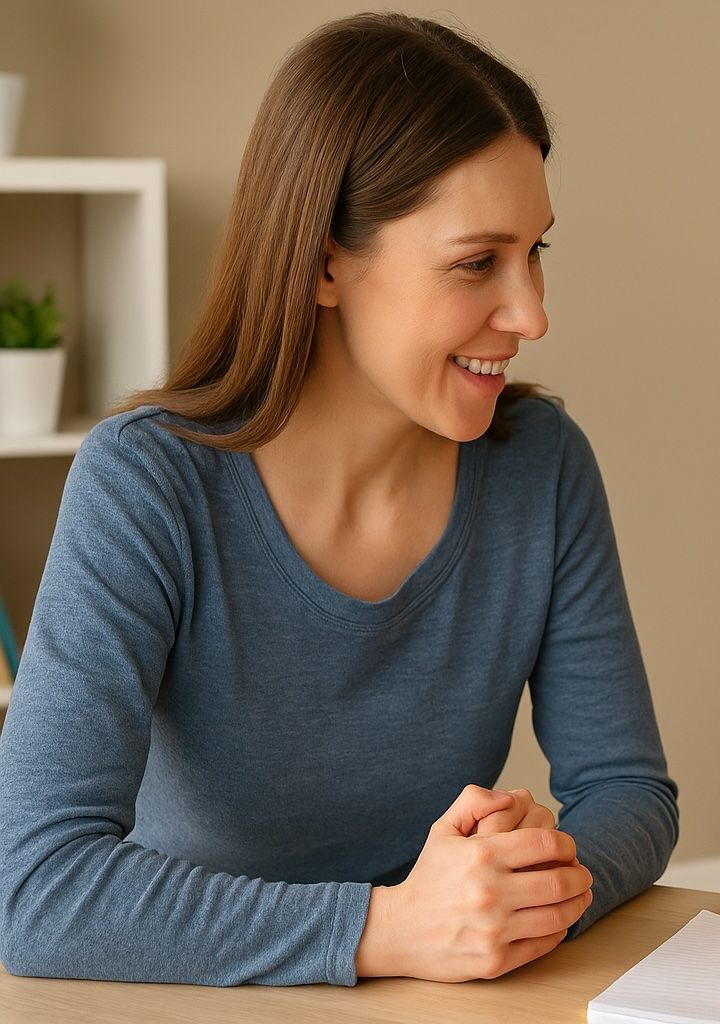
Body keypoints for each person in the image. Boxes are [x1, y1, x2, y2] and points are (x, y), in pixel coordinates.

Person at [0, 13, 677, 987]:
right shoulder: (146, 484)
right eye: (476, 261)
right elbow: (38, 888)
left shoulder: (543, 468)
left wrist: (533, 881)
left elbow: (628, 793)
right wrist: (389, 928)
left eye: (537, 253)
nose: (531, 313)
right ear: (325, 262)